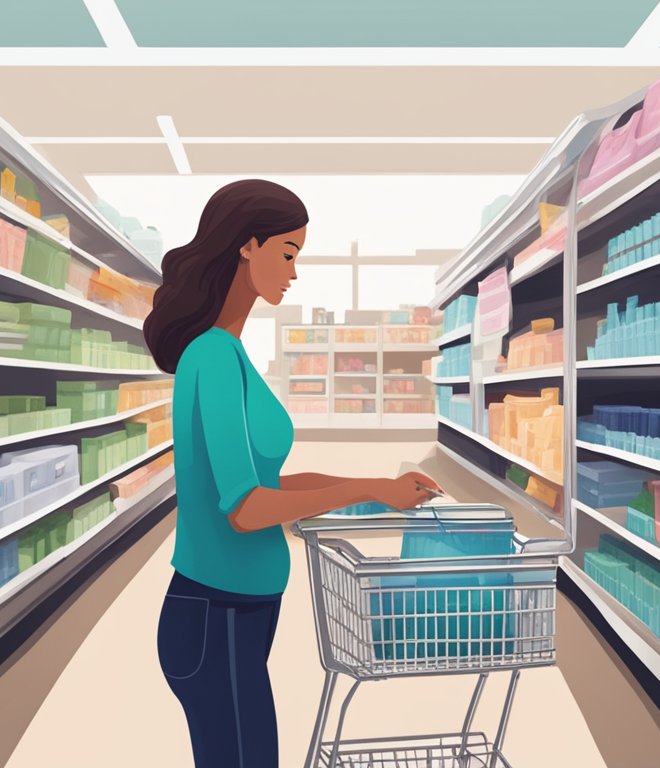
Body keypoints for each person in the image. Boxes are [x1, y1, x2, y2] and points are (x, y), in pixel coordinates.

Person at [143, 179, 442, 768]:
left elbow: (271, 485)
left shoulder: (229, 353)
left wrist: (379, 490)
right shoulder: (213, 356)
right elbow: (248, 507)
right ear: (246, 247)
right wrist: (358, 489)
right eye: (288, 253)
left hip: (237, 614)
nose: (294, 272)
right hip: (214, 615)